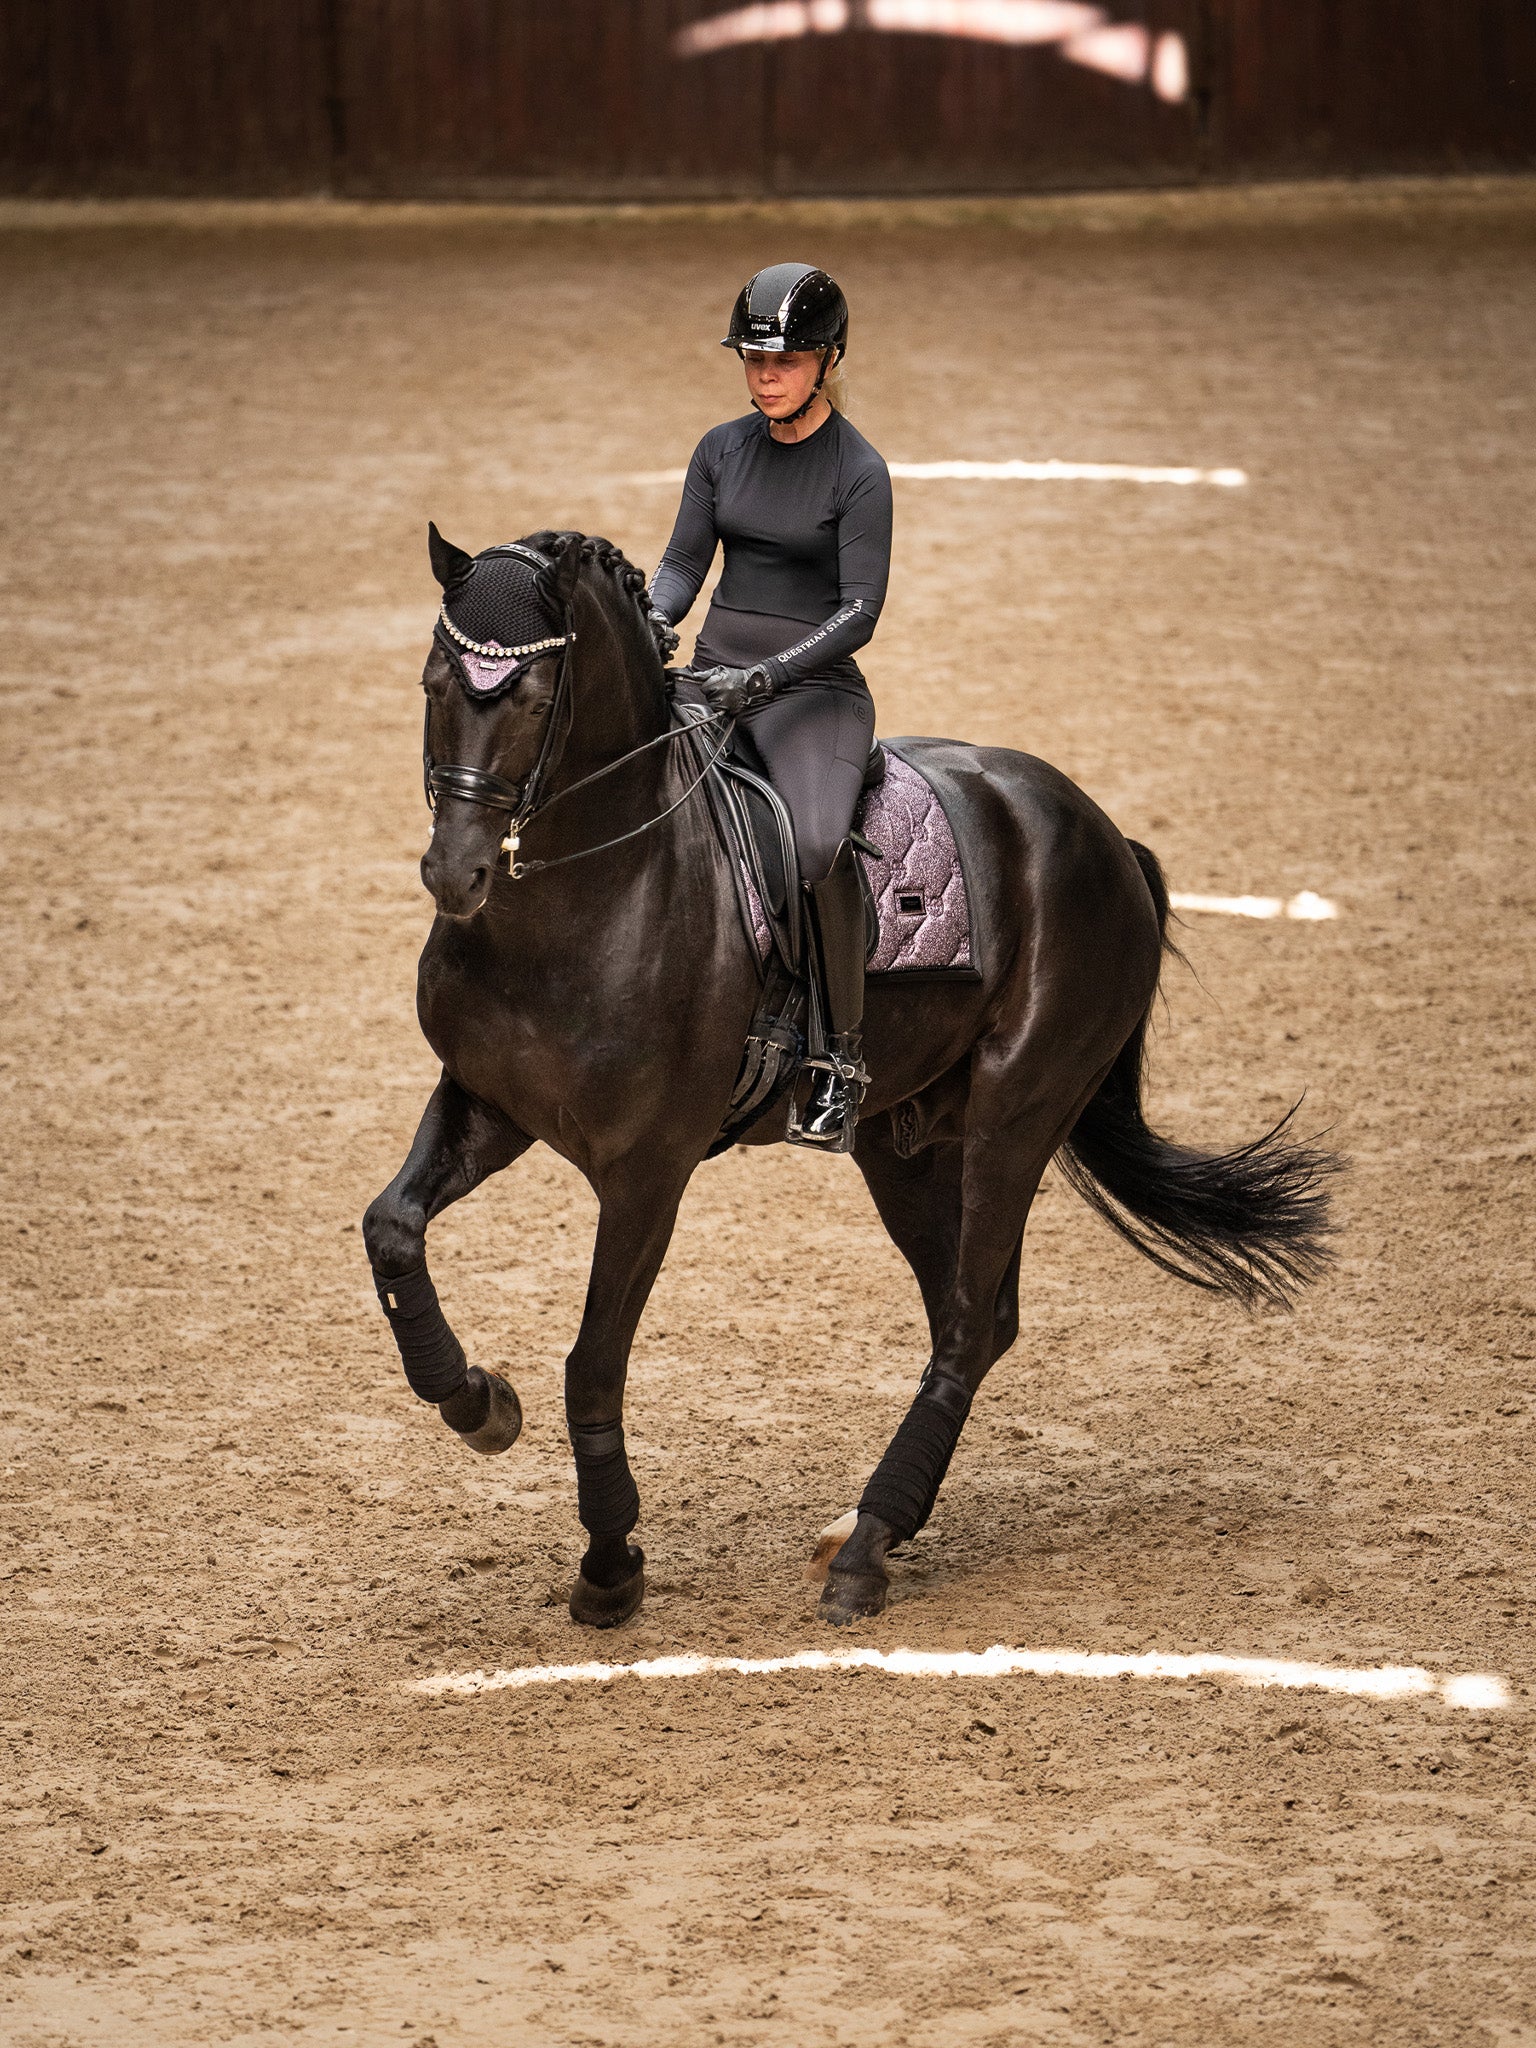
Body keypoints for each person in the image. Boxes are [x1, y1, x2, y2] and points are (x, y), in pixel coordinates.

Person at [648, 262, 893, 1151]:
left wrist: (769, 676)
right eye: (753, 358)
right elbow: (683, 565)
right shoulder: (720, 449)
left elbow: (859, 611)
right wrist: (653, 618)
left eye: (783, 360)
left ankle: (837, 1059)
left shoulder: (859, 472)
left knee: (818, 847)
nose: (764, 375)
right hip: (712, 674)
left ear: (827, 361)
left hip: (813, 692)